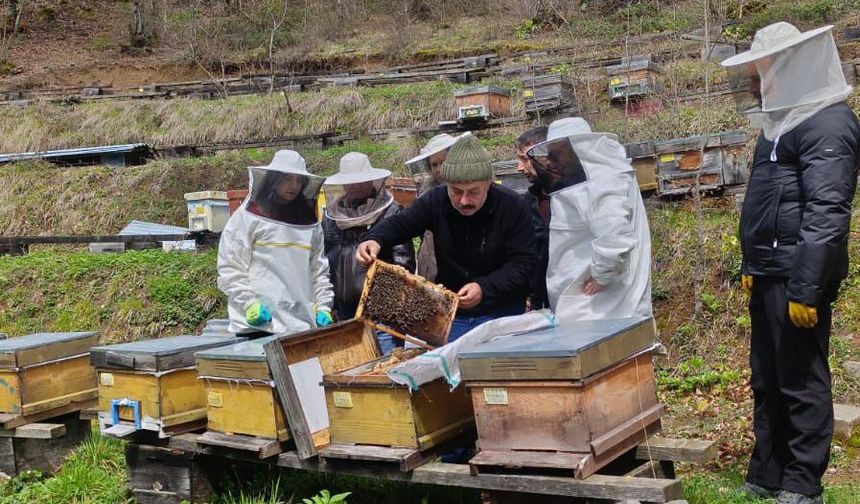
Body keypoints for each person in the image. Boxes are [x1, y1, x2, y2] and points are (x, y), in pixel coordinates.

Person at [721, 22, 859, 504]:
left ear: (789, 67)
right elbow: (765, 203)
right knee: (767, 376)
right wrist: (751, 262)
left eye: (762, 71)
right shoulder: (780, 123)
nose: (756, 82)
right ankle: (768, 470)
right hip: (768, 272)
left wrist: (807, 287)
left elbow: (827, 212)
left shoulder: (829, 123)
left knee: (801, 381)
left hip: (799, 275)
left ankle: (803, 482)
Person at [356, 134, 537, 342]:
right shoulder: (435, 200)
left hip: (501, 315)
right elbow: (402, 223)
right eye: (456, 191)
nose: (464, 200)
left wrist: (484, 288)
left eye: (473, 192)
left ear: (488, 183)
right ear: (446, 184)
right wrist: (374, 239)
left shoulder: (513, 206)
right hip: (451, 317)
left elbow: (524, 263)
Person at [526, 117, 652, 324]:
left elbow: (615, 234)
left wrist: (602, 276)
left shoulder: (601, 179)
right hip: (590, 302)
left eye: (556, 154)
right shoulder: (588, 178)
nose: (550, 161)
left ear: (576, 148)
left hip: (602, 306)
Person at [217, 150, 335, 338]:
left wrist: (324, 306)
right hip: (259, 326)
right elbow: (231, 266)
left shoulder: (310, 224)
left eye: (299, 180)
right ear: (273, 180)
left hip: (301, 326)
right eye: (287, 179)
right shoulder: (247, 218)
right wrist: (249, 304)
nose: (293, 186)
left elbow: (318, 269)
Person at [322, 152, 416, 352]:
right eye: (350, 182)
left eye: (360, 181)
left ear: (372, 180)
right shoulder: (331, 216)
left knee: (387, 368)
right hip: (346, 310)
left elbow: (403, 263)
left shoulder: (392, 212)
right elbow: (326, 261)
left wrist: (389, 300)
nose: (355, 186)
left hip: (383, 311)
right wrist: (331, 304)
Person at [405, 133, 471, 281]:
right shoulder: (426, 194)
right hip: (430, 265)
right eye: (434, 165)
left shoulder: (470, 192)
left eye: (443, 162)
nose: (438, 169)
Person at [516, 125, 550, 310]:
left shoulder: (572, 198)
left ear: (545, 156)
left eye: (524, 159)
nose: (519, 167)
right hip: (540, 304)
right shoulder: (528, 201)